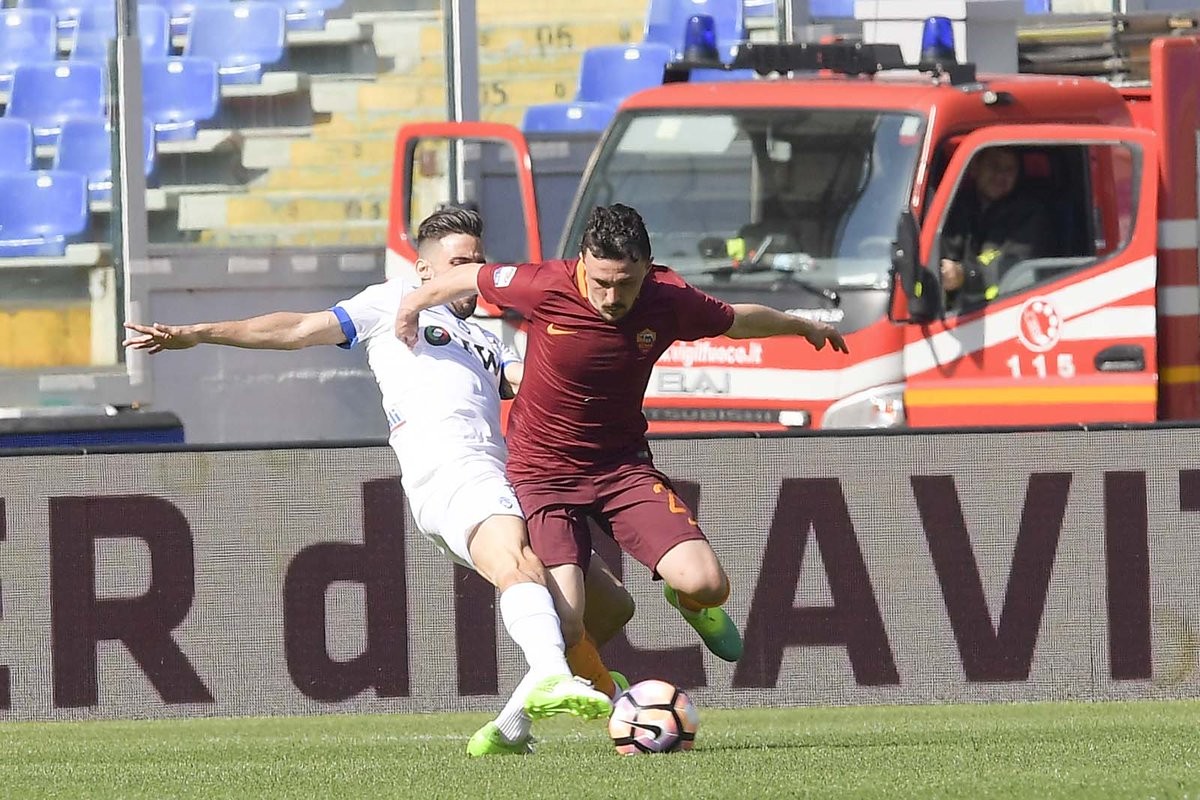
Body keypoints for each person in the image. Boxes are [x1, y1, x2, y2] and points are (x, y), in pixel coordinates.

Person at [122, 207, 633, 757]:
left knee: (607, 606)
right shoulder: (392, 301)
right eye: (459, 262)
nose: (472, 272)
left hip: (502, 473)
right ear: (424, 269)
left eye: (478, 262)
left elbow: (537, 383)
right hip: (452, 467)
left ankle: (511, 728)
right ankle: (555, 676)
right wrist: (198, 334)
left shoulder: (486, 338)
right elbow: (297, 329)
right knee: (519, 563)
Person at [394, 203, 849, 669]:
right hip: (544, 476)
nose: (611, 297)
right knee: (566, 624)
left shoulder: (668, 299)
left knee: (708, 584)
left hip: (620, 469)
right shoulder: (543, 284)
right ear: (582, 263)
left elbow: (736, 321)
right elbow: (469, 277)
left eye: (625, 284)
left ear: (648, 269)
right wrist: (410, 307)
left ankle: (688, 600)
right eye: (601, 282)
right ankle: (609, 696)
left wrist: (802, 326)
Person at [939, 146, 1052, 308]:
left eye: (1009, 169)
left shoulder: (1029, 214)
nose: (1000, 175)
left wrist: (964, 274)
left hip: (1004, 309)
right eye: (993, 166)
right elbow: (943, 252)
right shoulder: (953, 207)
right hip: (956, 311)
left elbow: (1012, 266)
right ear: (975, 168)